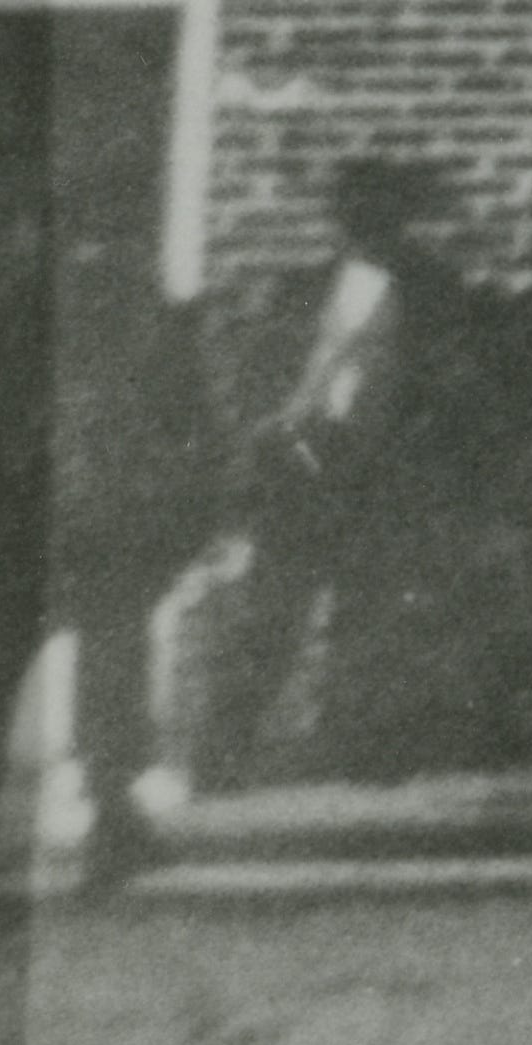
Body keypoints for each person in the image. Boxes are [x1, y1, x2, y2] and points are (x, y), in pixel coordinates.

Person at [197, 158, 478, 785]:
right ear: (341, 219)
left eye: (381, 213)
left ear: (401, 220)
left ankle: (360, 753)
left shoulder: (436, 291)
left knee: (372, 612)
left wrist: (416, 459)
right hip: (303, 466)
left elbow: (454, 388)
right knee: (271, 614)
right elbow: (262, 373)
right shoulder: (300, 286)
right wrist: (273, 441)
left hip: (382, 470)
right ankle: (221, 756)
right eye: (357, 213)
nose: (368, 226)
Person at [0, 198, 214, 879]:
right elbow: (192, 421)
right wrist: (184, 519)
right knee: (110, 672)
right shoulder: (146, 310)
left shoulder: (8, 316)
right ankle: (114, 826)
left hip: (33, 519)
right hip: (112, 520)